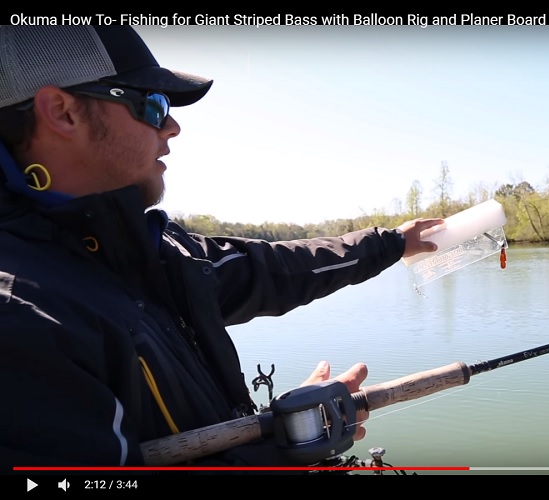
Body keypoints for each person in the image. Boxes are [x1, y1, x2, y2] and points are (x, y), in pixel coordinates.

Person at [0, 26, 442, 470]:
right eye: (152, 104)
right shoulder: (21, 317)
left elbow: (276, 270)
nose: (172, 126)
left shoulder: (162, 252)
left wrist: (393, 244)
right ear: (62, 112)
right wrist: (279, 452)